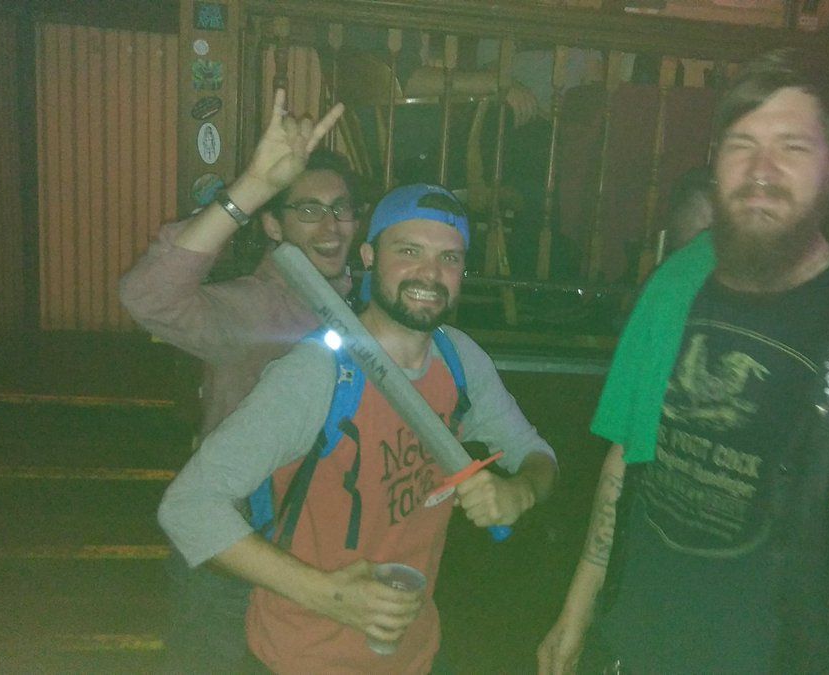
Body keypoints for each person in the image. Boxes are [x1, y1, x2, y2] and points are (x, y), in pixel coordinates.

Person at [538, 48, 829, 674]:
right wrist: (578, 609)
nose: (761, 170)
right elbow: (628, 458)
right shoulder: (677, 287)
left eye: (791, 147)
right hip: (634, 650)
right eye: (741, 145)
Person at [158, 183, 558, 674]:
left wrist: (521, 490)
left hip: (412, 654)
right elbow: (188, 507)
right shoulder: (318, 373)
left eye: (449, 258)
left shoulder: (459, 359)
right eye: (408, 251)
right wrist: (331, 596)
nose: (430, 273)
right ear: (369, 256)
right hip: (299, 658)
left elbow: (535, 453)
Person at [119, 91, 350, 671]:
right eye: (308, 210)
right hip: (236, 549)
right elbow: (147, 298)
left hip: (325, 548)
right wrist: (252, 186)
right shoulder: (255, 308)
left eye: (342, 209)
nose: (331, 225)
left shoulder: (364, 307)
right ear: (272, 224)